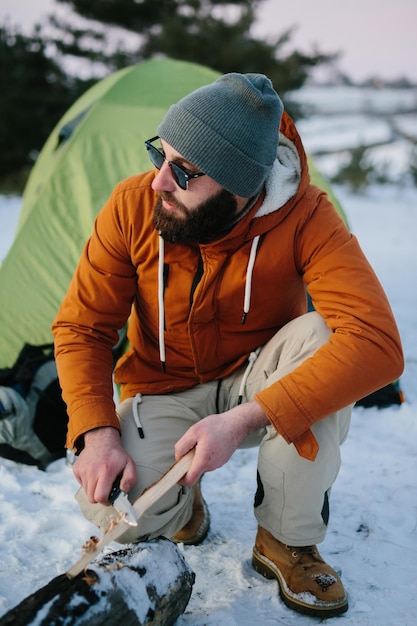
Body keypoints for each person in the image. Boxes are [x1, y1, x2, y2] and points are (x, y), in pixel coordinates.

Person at [52, 72, 403, 618]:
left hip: (260, 384)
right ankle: (183, 510)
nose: (159, 183)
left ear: (241, 186)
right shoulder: (131, 208)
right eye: (158, 155)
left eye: (184, 171)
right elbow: (83, 328)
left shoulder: (307, 216)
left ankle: (287, 538)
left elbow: (378, 342)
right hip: (162, 389)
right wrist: (94, 430)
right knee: (120, 514)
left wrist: (244, 419)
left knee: (326, 335)